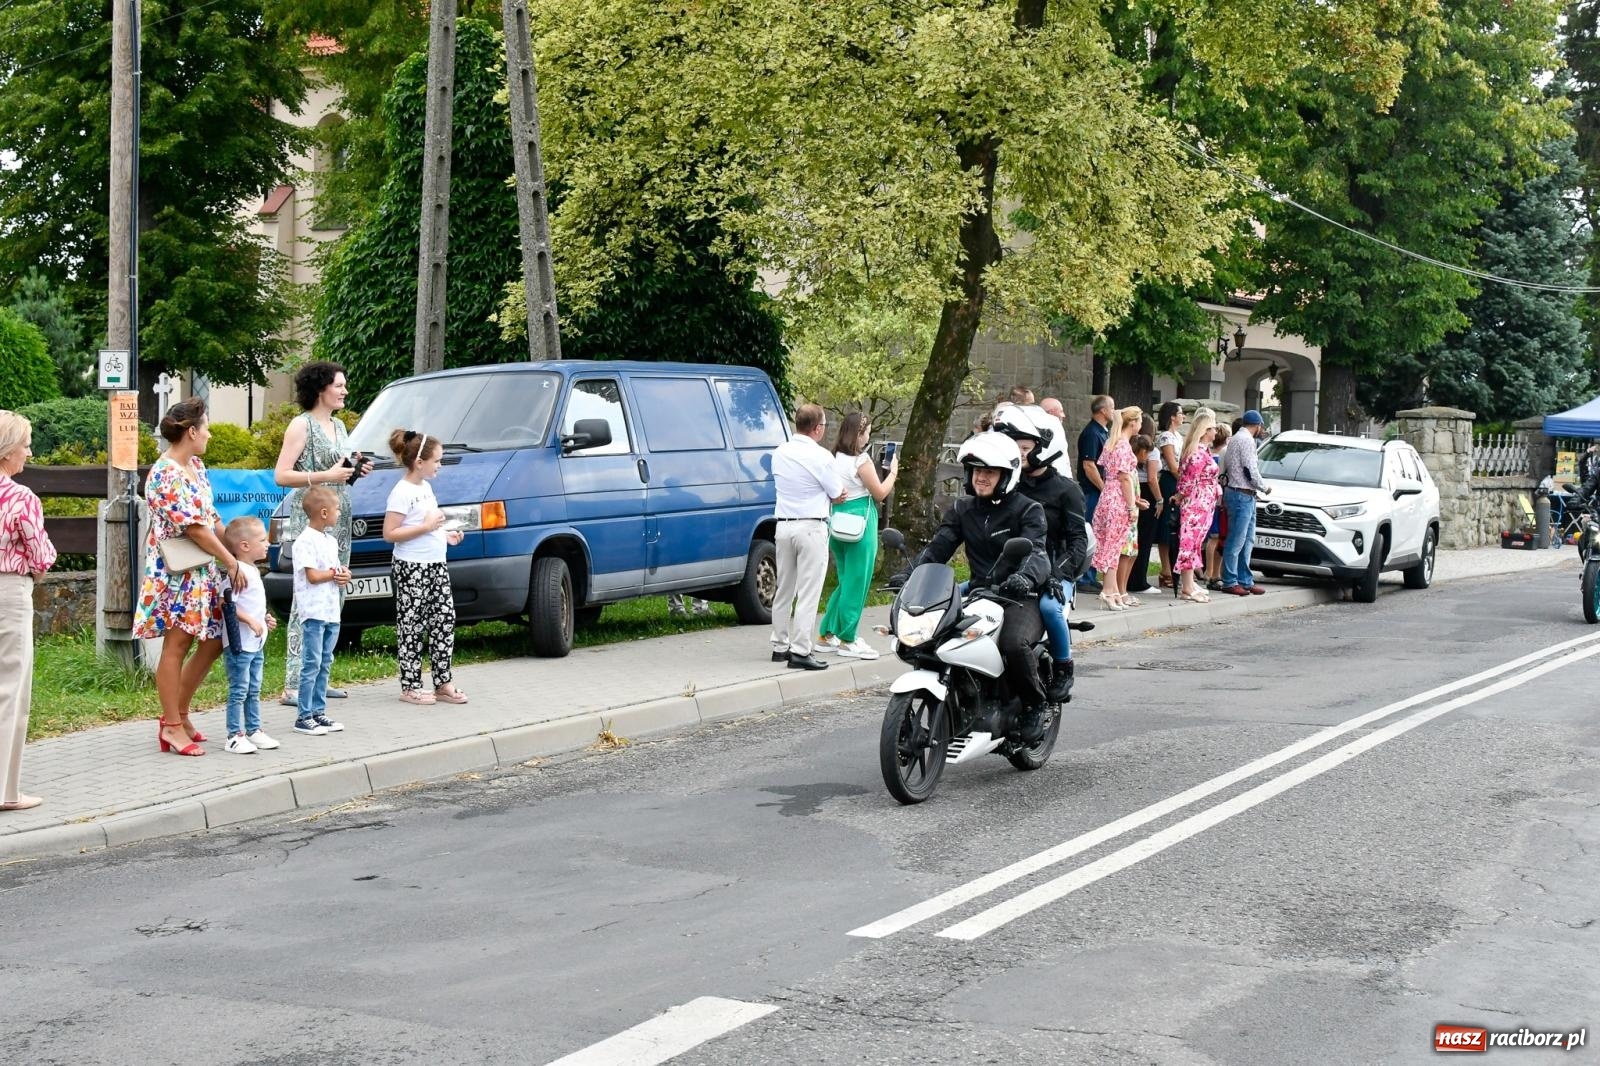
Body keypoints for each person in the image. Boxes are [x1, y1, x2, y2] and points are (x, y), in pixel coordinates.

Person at [889, 432, 1052, 741]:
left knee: (1013, 643)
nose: (981, 477)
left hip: (1020, 596)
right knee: (935, 641)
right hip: (979, 593)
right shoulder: (963, 509)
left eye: (989, 471)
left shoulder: (1028, 510)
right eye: (976, 471)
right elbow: (939, 548)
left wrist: (1025, 578)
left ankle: (1034, 704)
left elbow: (1038, 553)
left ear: (1007, 474)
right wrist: (912, 575)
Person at [135, 398, 248, 758]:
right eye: (206, 428)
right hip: (176, 572)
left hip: (202, 570)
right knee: (177, 644)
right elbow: (195, 529)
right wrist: (230, 561)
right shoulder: (164, 474)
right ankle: (170, 725)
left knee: (214, 640)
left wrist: (238, 554)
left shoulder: (195, 466)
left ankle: (179, 714)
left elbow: (211, 518)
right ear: (191, 431)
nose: (210, 434)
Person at [273, 361, 370, 706]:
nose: (344, 391)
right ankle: (294, 684)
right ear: (320, 389)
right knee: (308, 601)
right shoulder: (302, 425)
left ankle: (317, 679)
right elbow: (282, 475)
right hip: (310, 520)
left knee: (334, 597)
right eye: (339, 385)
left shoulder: (340, 425)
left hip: (339, 522)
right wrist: (323, 474)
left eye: (344, 385)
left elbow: (338, 472)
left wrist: (354, 470)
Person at [993, 404, 1088, 702]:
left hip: (1057, 572)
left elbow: (1077, 542)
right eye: (1014, 446)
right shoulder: (1009, 484)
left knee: (1050, 608)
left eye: (1024, 446)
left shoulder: (1066, 490)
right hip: (1013, 570)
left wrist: (1057, 575)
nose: (1019, 452)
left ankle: (1064, 666)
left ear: (1046, 446)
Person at [382, 429, 469, 705]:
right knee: (412, 623)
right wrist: (427, 527)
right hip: (411, 566)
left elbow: (429, 526)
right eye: (437, 461)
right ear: (419, 463)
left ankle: (443, 682)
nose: (439, 465)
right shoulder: (401, 492)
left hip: (435, 564)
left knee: (444, 619)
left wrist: (444, 535)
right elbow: (390, 533)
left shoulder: (426, 488)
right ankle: (410, 685)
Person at [0, 411, 56, 809]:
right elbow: (42, 555)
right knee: (9, 689)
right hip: (8, 592)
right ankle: (5, 790)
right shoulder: (21, 498)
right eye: (25, 444)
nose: (29, 451)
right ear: (7, 451)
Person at [770, 404, 847, 670]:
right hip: (811, 526)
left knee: (784, 588)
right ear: (817, 428)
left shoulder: (779, 452)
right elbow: (838, 492)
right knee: (809, 591)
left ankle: (779, 645)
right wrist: (831, 494)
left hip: (783, 526)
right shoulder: (822, 456)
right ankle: (801, 650)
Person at [818, 413, 898, 660]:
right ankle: (847, 639)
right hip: (860, 525)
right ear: (857, 434)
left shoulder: (834, 457)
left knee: (845, 581)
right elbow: (880, 493)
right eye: (866, 433)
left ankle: (827, 634)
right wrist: (893, 471)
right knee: (858, 583)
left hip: (838, 523)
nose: (868, 437)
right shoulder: (861, 461)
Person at [292, 486, 350, 734]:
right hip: (314, 612)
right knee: (311, 663)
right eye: (337, 509)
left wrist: (343, 575)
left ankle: (318, 711)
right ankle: (303, 716)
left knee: (325, 661)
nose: (339, 513)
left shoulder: (331, 540)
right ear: (324, 512)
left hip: (330, 610)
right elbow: (313, 575)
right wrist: (333, 573)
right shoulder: (304, 541)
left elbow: (335, 570)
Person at [219, 517, 279, 754]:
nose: (267, 544)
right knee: (239, 689)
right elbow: (225, 601)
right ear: (245, 545)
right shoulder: (237, 571)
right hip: (240, 644)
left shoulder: (251, 570)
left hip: (255, 643)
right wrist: (250, 620)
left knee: (254, 688)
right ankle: (234, 735)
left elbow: (250, 603)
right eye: (262, 540)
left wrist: (263, 618)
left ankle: (254, 730)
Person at [1090, 406, 1146, 610]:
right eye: (1139, 421)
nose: (1140, 425)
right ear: (1133, 423)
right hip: (1118, 499)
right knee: (1113, 546)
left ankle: (1111, 589)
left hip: (1108, 496)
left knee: (1110, 545)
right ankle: (1108, 590)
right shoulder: (1123, 446)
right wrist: (1132, 506)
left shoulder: (1112, 443)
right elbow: (1124, 478)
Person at [1220, 409, 1272, 596]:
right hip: (1242, 493)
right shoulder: (1247, 440)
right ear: (1257, 426)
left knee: (1246, 539)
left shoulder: (1235, 438)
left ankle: (1244, 579)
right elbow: (1250, 469)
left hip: (1240, 493)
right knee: (1238, 539)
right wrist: (1264, 487)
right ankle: (1230, 580)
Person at [1174, 410, 1220, 603]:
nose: (1216, 432)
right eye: (1212, 428)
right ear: (1204, 431)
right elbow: (1187, 482)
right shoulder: (1197, 453)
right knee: (1189, 543)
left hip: (1204, 503)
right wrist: (1180, 497)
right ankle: (1187, 587)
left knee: (1194, 543)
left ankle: (1190, 584)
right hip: (1196, 504)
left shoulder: (1202, 451)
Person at [1076, 395, 1115, 592]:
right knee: (1090, 531)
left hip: (1098, 490)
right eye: (1112, 407)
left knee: (1098, 532)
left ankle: (1091, 574)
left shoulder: (1103, 432)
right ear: (1102, 410)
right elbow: (1089, 465)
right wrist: (1104, 488)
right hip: (1092, 491)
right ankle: (1083, 577)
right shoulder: (1092, 433)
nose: (1114, 411)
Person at [1152, 402, 1185, 589]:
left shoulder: (1178, 436)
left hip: (1178, 481)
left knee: (1177, 526)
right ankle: (1165, 569)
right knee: (1167, 526)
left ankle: (1173, 568)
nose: (1183, 417)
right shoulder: (1166, 437)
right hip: (1170, 481)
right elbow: (1173, 465)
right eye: (1180, 413)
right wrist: (1186, 481)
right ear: (1172, 416)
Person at [1127, 416, 1161, 594]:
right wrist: (1160, 499)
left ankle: (1130, 579)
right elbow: (1152, 478)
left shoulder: (1133, 444)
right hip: (1146, 491)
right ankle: (1139, 580)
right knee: (1144, 539)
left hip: (1135, 488)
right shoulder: (1151, 450)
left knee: (1134, 538)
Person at [1205, 424, 1231, 590]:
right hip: (1217, 500)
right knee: (1215, 537)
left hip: (1214, 500)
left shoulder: (1211, 454)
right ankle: (1211, 573)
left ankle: (1214, 573)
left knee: (1217, 537)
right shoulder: (1220, 456)